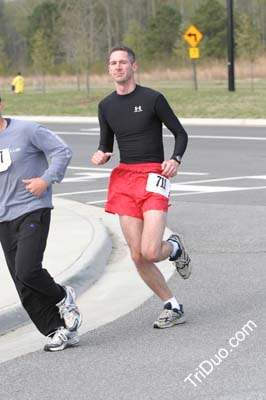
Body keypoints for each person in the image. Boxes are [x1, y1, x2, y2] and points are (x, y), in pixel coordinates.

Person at [91, 46, 192, 329]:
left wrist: (175, 159)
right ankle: (171, 304)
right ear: (109, 68)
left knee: (150, 251)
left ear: (134, 66)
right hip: (124, 179)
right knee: (136, 255)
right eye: (113, 63)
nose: (117, 67)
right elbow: (105, 144)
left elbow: (180, 133)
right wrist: (100, 155)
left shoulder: (152, 99)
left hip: (153, 176)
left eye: (123, 62)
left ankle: (173, 248)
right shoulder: (106, 106)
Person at [0, 95, 82, 351]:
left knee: (28, 270)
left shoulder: (26, 130)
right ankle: (58, 330)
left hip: (32, 209)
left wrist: (46, 180)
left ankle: (63, 296)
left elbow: (62, 151)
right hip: (4, 217)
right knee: (21, 282)